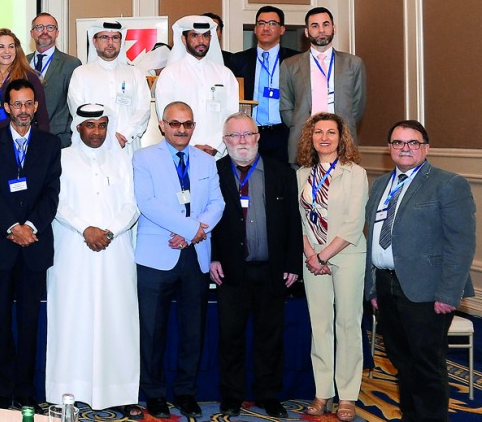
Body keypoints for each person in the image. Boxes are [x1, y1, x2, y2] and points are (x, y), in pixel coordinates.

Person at [366, 120, 475, 422]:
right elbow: (373, 238)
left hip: (429, 292)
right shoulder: (380, 185)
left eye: (413, 142)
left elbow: (461, 243)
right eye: (398, 143)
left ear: (426, 148)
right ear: (389, 149)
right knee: (402, 362)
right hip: (387, 286)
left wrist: (449, 293)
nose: (405, 148)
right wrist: (373, 287)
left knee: (427, 365)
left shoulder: (448, 183)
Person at [46, 105, 141, 418]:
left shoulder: (122, 159)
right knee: (73, 319)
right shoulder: (61, 159)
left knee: (117, 319)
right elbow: (55, 202)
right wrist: (85, 228)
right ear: (78, 128)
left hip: (115, 252)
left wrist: (109, 231)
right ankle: (68, 391)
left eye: (102, 126)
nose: (97, 132)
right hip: (74, 251)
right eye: (90, 126)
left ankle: (120, 392)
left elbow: (132, 204)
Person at [132, 101, 224, 420]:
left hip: (194, 256)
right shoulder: (143, 158)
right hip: (156, 257)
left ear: (193, 125)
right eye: (175, 124)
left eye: (187, 124)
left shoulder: (206, 161)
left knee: (192, 331)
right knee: (152, 331)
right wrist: (188, 229)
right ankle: (154, 394)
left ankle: (186, 392)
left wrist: (191, 234)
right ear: (162, 125)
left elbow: (217, 203)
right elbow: (148, 203)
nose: (181, 129)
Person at [0, 79, 61, 413]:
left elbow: (51, 193)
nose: (23, 110)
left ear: (35, 107)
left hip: (35, 244)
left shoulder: (50, 143)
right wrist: (13, 226)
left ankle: (26, 390)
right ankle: (2, 391)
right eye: (17, 105)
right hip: (1, 242)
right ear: (7, 107)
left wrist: (30, 227)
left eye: (29, 104)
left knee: (29, 321)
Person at [209, 113, 300, 419]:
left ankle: (268, 394)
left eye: (247, 134)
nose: (242, 141)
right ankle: (232, 395)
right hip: (231, 270)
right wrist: (212, 257)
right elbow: (204, 220)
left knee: (270, 336)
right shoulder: (214, 172)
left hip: (272, 269)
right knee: (230, 337)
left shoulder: (281, 172)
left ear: (258, 137)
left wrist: (291, 263)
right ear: (225, 141)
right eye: (234, 136)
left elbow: (292, 222)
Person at [295, 112, 367, 422]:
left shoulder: (355, 173)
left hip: (346, 254)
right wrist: (311, 254)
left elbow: (353, 224)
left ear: (341, 137)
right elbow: (296, 220)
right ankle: (322, 391)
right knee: (320, 325)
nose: (324, 137)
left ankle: (348, 395)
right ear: (310, 138)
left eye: (331, 132)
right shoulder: (301, 174)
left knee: (348, 325)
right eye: (318, 132)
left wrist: (324, 256)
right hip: (311, 257)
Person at [280, 8, 367, 164]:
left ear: (334, 28)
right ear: (306, 32)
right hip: (304, 142)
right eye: (315, 26)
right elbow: (286, 107)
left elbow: (357, 106)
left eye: (326, 24)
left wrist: (339, 130)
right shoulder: (290, 65)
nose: (321, 30)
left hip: (341, 142)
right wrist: (306, 130)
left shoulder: (353, 64)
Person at [154, 15, 240, 158]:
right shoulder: (170, 74)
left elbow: (231, 115)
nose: (201, 41)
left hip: (218, 154)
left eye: (206, 35)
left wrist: (214, 145)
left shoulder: (225, 74)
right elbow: (167, 117)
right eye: (195, 35)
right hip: (181, 152)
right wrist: (192, 146)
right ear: (183, 39)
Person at [66, 20, 152, 156]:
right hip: (92, 146)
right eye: (104, 37)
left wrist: (125, 134)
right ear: (94, 41)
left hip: (127, 145)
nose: (110, 43)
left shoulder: (135, 74)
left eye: (115, 38)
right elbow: (78, 109)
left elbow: (144, 109)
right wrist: (103, 135)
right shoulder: (81, 73)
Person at [226, 6, 299, 164]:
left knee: (283, 183)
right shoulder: (238, 61)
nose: (266, 28)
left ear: (282, 29)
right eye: (261, 23)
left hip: (284, 133)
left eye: (272, 23)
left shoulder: (296, 60)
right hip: (250, 133)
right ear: (255, 29)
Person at [0, 28, 49, 144]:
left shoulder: (29, 76)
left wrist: (43, 147)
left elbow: (42, 117)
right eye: (1, 47)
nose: (7, 51)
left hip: (20, 142)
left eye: (11, 46)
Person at [28, 13, 83, 147]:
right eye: (39, 27)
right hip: (26, 138)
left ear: (57, 33)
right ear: (32, 33)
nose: (45, 31)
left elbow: (75, 104)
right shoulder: (21, 62)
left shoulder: (71, 64)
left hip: (59, 139)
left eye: (50, 27)